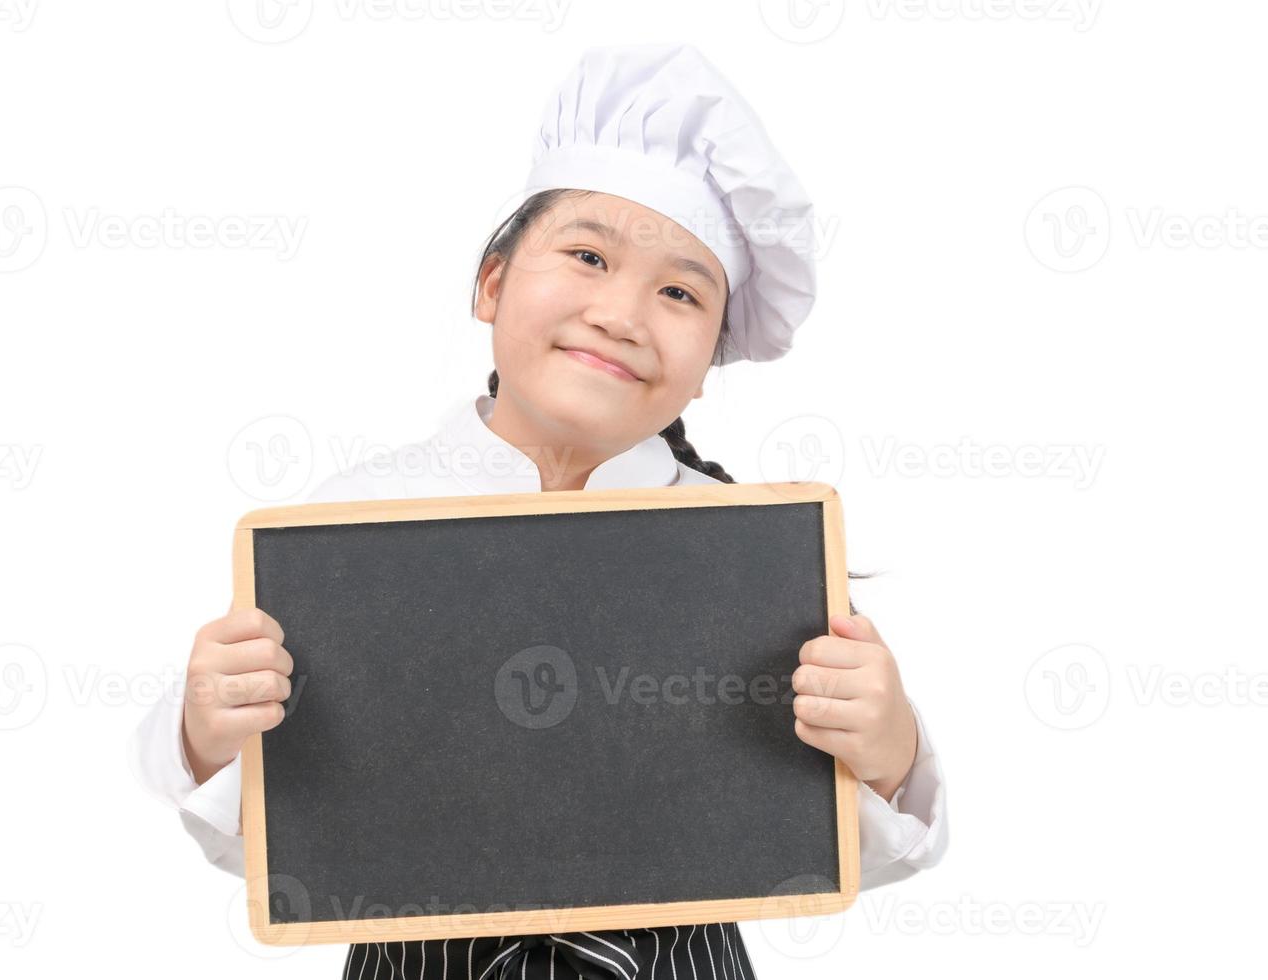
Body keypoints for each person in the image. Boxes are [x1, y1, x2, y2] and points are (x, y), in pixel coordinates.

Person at [129, 42, 948, 980]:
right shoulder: (351, 526)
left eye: (679, 292)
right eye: (587, 255)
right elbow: (278, 838)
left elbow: (824, 842)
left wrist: (889, 747)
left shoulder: (751, 553)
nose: (621, 312)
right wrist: (208, 722)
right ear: (490, 283)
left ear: (711, 362)